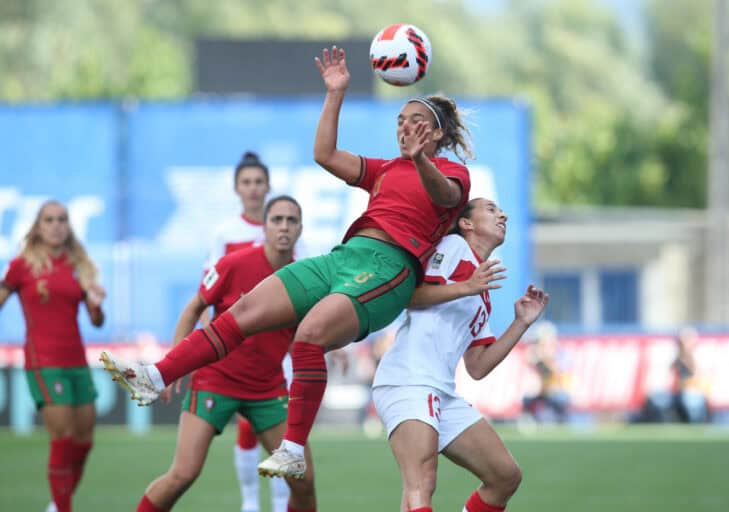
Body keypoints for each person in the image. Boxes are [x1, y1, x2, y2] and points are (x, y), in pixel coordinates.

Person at [101, 44, 477, 480]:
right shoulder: (387, 168)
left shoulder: (454, 173)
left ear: (438, 134)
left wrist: (419, 161)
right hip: (346, 257)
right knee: (241, 309)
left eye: (416, 122)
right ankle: (155, 377)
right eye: (400, 120)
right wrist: (335, 94)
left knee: (308, 335)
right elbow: (325, 155)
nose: (405, 128)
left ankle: (294, 447)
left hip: (390, 271)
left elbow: (447, 197)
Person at [135, 196, 317, 512]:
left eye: (291, 220)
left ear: (301, 228)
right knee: (183, 474)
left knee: (303, 482)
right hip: (215, 381)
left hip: (267, 389)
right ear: (264, 226)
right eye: (277, 220)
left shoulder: (307, 277)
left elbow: (299, 333)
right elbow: (194, 309)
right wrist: (173, 367)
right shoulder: (234, 264)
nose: (284, 227)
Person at [372, 198, 549, 512]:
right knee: (421, 483)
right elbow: (409, 296)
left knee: (504, 476)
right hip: (407, 380)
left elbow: (478, 366)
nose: (503, 214)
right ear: (466, 223)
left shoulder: (481, 289)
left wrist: (521, 323)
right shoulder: (453, 247)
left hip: (442, 391)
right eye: (492, 209)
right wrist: (466, 286)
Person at [0, 200, 106, 512]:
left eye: (62, 219)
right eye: (49, 220)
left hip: (76, 360)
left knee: (84, 442)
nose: (56, 225)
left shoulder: (79, 265)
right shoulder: (23, 265)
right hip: (43, 361)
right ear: (38, 226)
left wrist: (97, 303)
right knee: (63, 437)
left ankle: (56, 505)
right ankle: (63, 508)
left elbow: (97, 320)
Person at [204, 150, 294, 512]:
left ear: (268, 186)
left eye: (259, 182)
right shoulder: (225, 234)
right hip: (238, 348)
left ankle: (279, 503)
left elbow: (303, 282)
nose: (254, 189)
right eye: (247, 182)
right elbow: (208, 292)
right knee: (246, 427)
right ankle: (250, 503)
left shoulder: (285, 227)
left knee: (282, 436)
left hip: (279, 348)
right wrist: (206, 345)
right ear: (236, 188)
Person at [521, 321, 570, 424]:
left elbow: (557, 373)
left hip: (556, 391)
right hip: (541, 391)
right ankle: (530, 418)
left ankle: (560, 419)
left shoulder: (560, 353)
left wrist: (544, 359)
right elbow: (531, 364)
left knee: (560, 398)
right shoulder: (536, 354)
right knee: (529, 394)